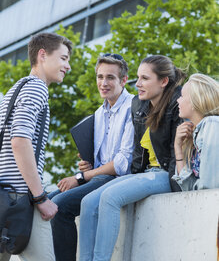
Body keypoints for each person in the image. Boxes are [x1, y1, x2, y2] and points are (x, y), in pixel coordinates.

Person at [79, 55, 185, 261]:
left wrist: (175, 184)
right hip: (145, 174)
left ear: (163, 82)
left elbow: (175, 156)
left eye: (145, 78)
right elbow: (138, 155)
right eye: (137, 77)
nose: (137, 84)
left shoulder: (176, 105)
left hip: (167, 175)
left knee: (110, 198)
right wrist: (130, 179)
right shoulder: (139, 105)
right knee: (88, 202)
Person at [49, 54, 135, 261]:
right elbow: (97, 162)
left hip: (115, 179)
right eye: (100, 77)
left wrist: (81, 177)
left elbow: (122, 164)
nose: (103, 83)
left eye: (110, 78)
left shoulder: (133, 107)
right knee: (45, 202)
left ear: (123, 80)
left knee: (59, 207)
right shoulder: (98, 113)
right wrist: (86, 164)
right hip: (97, 176)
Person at [0, 32, 72, 261]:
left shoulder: (15, 89)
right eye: (63, 58)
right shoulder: (36, 88)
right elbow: (20, 141)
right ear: (42, 55)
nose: (67, 66)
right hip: (19, 196)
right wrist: (40, 197)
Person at [172, 73, 219, 190]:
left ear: (195, 101)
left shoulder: (212, 124)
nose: (178, 100)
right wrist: (178, 147)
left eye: (182, 96)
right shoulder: (193, 137)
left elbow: (209, 187)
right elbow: (187, 187)